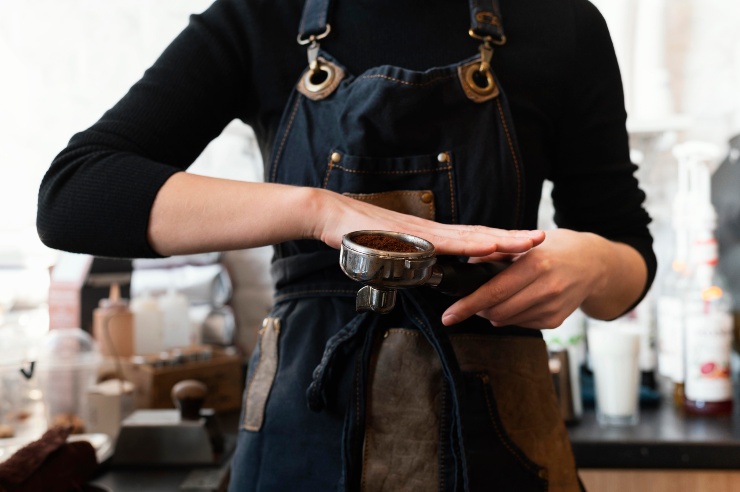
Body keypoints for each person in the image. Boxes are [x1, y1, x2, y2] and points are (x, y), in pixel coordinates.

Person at [37, 0, 656, 490]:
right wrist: (318, 210)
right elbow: (74, 196)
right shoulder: (262, 15)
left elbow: (626, 253)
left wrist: (594, 263)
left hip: (499, 453)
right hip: (296, 443)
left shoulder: (562, 23)